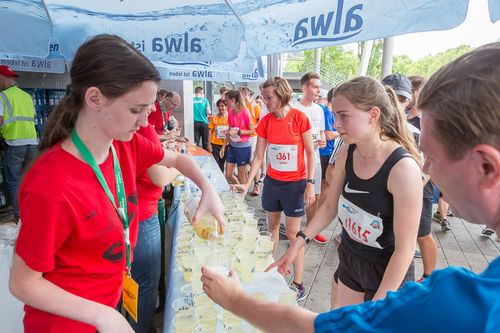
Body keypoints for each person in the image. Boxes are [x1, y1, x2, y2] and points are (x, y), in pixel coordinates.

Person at [201, 43, 500, 333]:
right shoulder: (348, 150)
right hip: (351, 258)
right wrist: (300, 240)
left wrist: (235, 299)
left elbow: (405, 250)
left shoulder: (403, 169)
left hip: (385, 268)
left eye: (432, 157)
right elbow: (330, 205)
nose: (425, 170)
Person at [8, 34, 225, 333]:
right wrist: (101, 315)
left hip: (110, 304)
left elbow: (178, 160)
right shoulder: (51, 183)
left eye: (148, 109)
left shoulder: (125, 145)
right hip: (67, 323)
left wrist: (208, 190)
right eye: (136, 110)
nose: (145, 121)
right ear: (94, 98)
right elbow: (23, 283)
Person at [234, 77, 316, 301]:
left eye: (269, 97)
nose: (266, 102)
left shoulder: (300, 118)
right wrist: (248, 182)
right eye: (264, 97)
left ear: (281, 94)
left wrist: (310, 183)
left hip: (295, 185)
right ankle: (269, 275)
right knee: (272, 227)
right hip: (272, 183)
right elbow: (259, 156)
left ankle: (298, 283)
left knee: (293, 234)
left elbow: (310, 152)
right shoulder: (266, 121)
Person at [129, 119, 180, 333]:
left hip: (130, 213)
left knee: (133, 284)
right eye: (145, 104)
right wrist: (178, 171)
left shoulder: (130, 129)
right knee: (145, 284)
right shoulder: (139, 127)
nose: (150, 110)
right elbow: (159, 176)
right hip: (141, 215)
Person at [0, 65, 39, 222]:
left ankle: (20, 217)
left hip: (15, 144)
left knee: (14, 181)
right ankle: (34, 212)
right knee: (31, 180)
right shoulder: (27, 96)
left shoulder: (2, 96)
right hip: (32, 143)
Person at [293, 73, 328, 244]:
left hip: (315, 159)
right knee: (298, 195)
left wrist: (321, 140)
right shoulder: (294, 109)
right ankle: (295, 230)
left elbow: (321, 132)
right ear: (305, 87)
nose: (318, 91)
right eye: (315, 87)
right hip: (298, 160)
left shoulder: (319, 110)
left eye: (319, 87)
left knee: (315, 196)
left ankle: (311, 230)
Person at [220, 90, 255, 185]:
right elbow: (230, 130)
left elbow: (252, 130)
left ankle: (241, 195)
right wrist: (223, 146)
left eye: (227, 101)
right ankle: (239, 189)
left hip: (243, 147)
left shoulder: (245, 112)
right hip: (232, 146)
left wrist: (239, 132)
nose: (225, 103)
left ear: (233, 100)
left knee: (241, 176)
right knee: (228, 174)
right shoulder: (231, 112)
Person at [239, 86, 262, 196]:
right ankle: (245, 185)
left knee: (253, 162)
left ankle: (256, 185)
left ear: (246, 94)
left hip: (253, 137)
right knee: (246, 162)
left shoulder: (255, 106)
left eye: (241, 94)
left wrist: (251, 128)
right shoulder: (241, 106)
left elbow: (261, 122)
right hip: (243, 137)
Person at [207, 98, 229, 172]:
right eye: (219, 106)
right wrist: (209, 144)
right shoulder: (214, 118)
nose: (220, 108)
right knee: (215, 164)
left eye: (222, 106)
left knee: (221, 164)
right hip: (214, 144)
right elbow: (210, 131)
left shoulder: (229, 118)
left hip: (225, 145)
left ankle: (221, 179)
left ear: (226, 107)